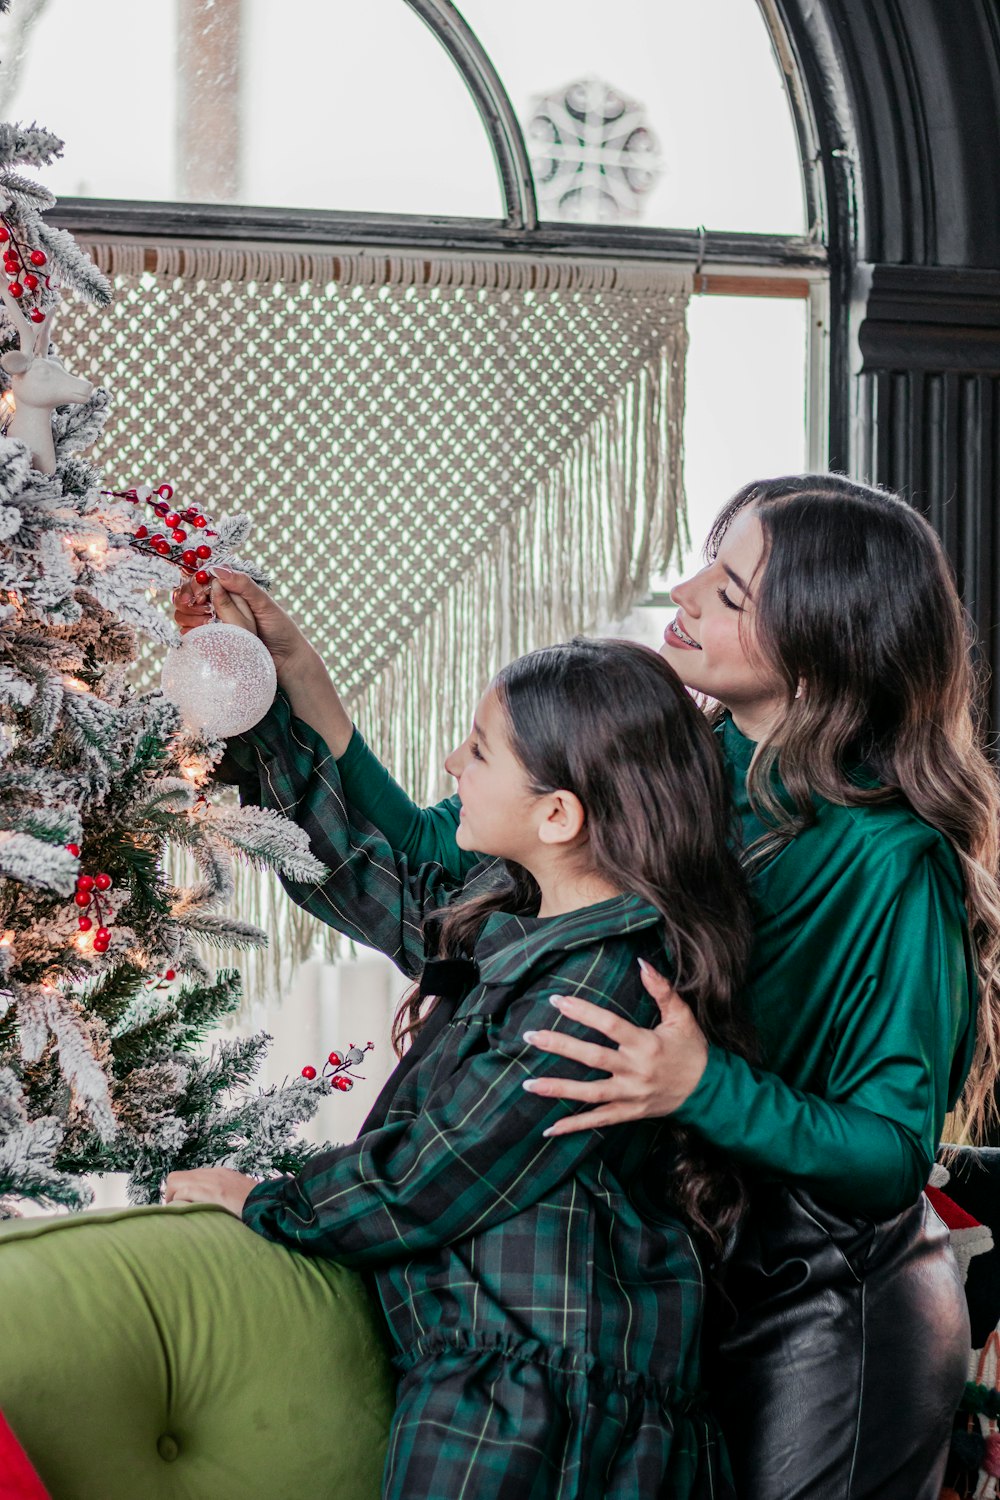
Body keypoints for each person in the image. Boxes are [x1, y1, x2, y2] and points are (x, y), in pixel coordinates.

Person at [171, 472, 995, 1498]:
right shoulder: (689, 760)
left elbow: (887, 1155)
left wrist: (700, 1087)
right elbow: (454, 878)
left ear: (825, 642)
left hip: (819, 1311)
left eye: (731, 592)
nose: (685, 593)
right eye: (707, 559)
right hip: (678, 1291)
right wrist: (305, 690)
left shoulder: (889, 858)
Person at [165, 639, 756, 1500]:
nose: (452, 763)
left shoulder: (598, 989)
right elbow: (366, 878)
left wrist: (261, 1198)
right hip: (508, 1381)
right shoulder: (532, 925)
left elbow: (430, 1176)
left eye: (478, 750)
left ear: (558, 815)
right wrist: (262, 710)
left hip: (542, 1413)